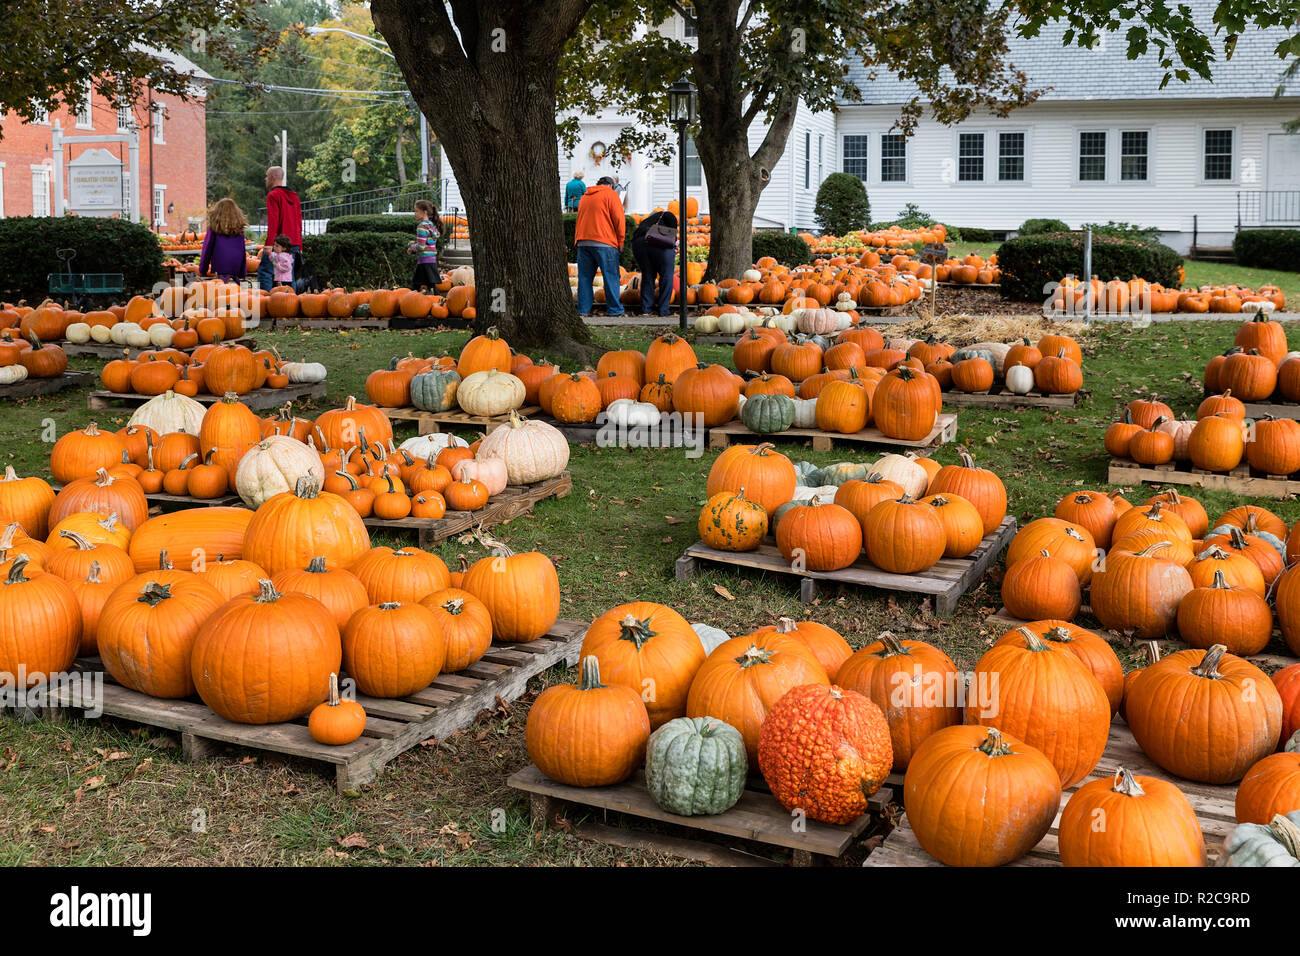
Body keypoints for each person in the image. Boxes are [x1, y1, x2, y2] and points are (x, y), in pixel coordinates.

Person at [574, 175, 626, 318]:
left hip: (583, 241)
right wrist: (621, 241)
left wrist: (577, 240)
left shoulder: (585, 196)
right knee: (610, 276)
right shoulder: (611, 195)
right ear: (611, 185)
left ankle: (583, 310)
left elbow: (579, 218)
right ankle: (614, 310)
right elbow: (619, 219)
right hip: (605, 242)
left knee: (584, 278)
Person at [631, 209, 678, 317]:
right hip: (659, 243)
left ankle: (646, 309)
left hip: (638, 244)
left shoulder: (646, 221)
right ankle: (663, 310)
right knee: (666, 276)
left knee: (647, 275)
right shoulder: (669, 216)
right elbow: (672, 236)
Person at [198, 198, 249, 280]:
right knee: (234, 287)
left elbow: (207, 250)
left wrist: (202, 270)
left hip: (220, 268)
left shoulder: (213, 229)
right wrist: (243, 273)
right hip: (236, 268)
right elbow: (243, 252)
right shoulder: (239, 231)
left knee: (222, 286)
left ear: (217, 213)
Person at [265, 166, 303, 252]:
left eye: (267, 176)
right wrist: (300, 245)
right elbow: (299, 222)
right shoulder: (294, 196)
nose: (265, 179)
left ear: (273, 176)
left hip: (279, 245)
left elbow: (273, 222)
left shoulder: (273, 195)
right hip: (294, 243)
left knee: (264, 261)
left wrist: (269, 244)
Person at [408, 200, 442, 291]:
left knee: (416, 287)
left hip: (424, 262)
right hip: (431, 261)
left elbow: (421, 247)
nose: (415, 213)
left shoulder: (422, 227)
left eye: (416, 211)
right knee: (430, 287)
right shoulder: (431, 225)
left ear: (425, 212)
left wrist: (411, 247)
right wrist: (415, 245)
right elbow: (426, 244)